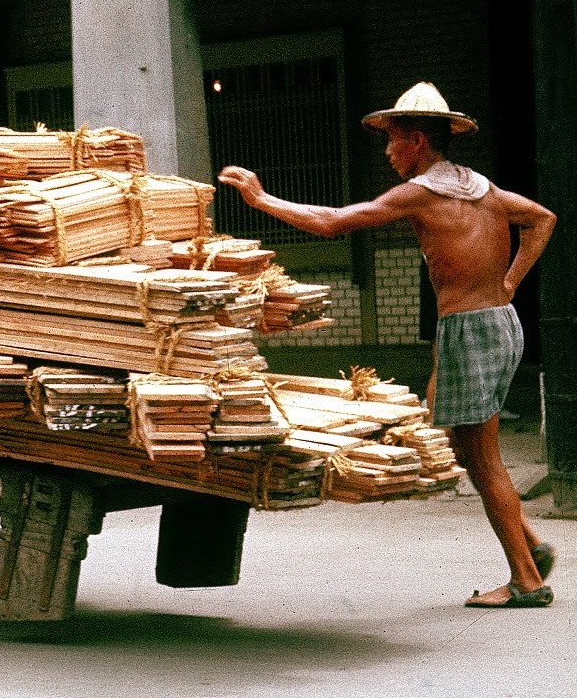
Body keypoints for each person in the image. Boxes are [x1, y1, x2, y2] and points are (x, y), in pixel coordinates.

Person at [218, 82, 557, 608]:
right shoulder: (482, 189)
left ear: (417, 140)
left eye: (392, 140)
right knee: (463, 445)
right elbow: (542, 218)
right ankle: (529, 546)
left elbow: (332, 223)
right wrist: (509, 282)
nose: (387, 151)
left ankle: (526, 581)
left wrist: (261, 199)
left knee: (483, 457)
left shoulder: (420, 192)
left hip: (471, 329)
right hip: (499, 323)